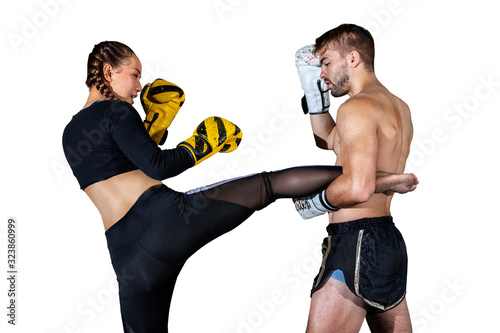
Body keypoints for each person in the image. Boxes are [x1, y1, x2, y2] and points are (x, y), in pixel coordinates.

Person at [62, 40, 417, 333]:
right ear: (110, 72)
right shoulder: (117, 113)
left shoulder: (71, 134)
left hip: (128, 260)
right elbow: (156, 166)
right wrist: (201, 143)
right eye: (135, 75)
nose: (139, 86)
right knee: (267, 185)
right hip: (165, 223)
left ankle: (365, 179)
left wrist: (154, 122)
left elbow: (121, 165)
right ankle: (374, 180)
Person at [294, 24, 415, 332]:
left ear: (353, 58)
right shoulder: (397, 106)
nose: (322, 73)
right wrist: (313, 94)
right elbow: (330, 139)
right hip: (384, 240)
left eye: (326, 63)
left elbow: (358, 187)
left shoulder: (356, 108)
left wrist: (317, 201)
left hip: (356, 241)